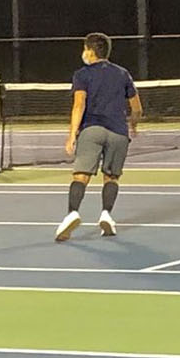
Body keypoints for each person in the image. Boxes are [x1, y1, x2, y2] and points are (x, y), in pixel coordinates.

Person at [54, 31, 142, 241]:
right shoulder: (123, 74)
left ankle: (72, 213)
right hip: (118, 132)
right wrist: (134, 125)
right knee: (111, 177)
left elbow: (79, 104)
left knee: (81, 175)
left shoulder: (82, 74)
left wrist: (72, 134)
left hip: (92, 129)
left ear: (91, 51)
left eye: (85, 48)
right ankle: (106, 215)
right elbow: (137, 108)